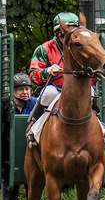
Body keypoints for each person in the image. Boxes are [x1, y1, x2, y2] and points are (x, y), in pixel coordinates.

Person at [26, 12, 97, 144]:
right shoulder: (44, 49)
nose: (67, 37)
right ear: (57, 34)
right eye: (63, 34)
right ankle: (34, 127)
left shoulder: (81, 48)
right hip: (55, 90)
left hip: (77, 91)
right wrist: (47, 71)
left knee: (92, 92)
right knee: (48, 93)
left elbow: (92, 79)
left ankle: (99, 125)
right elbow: (33, 76)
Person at [0, 74, 40, 200]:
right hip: (11, 162)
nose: (25, 92)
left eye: (27, 89)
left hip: (33, 162)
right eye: (21, 89)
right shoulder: (5, 107)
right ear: (13, 92)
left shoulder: (37, 105)